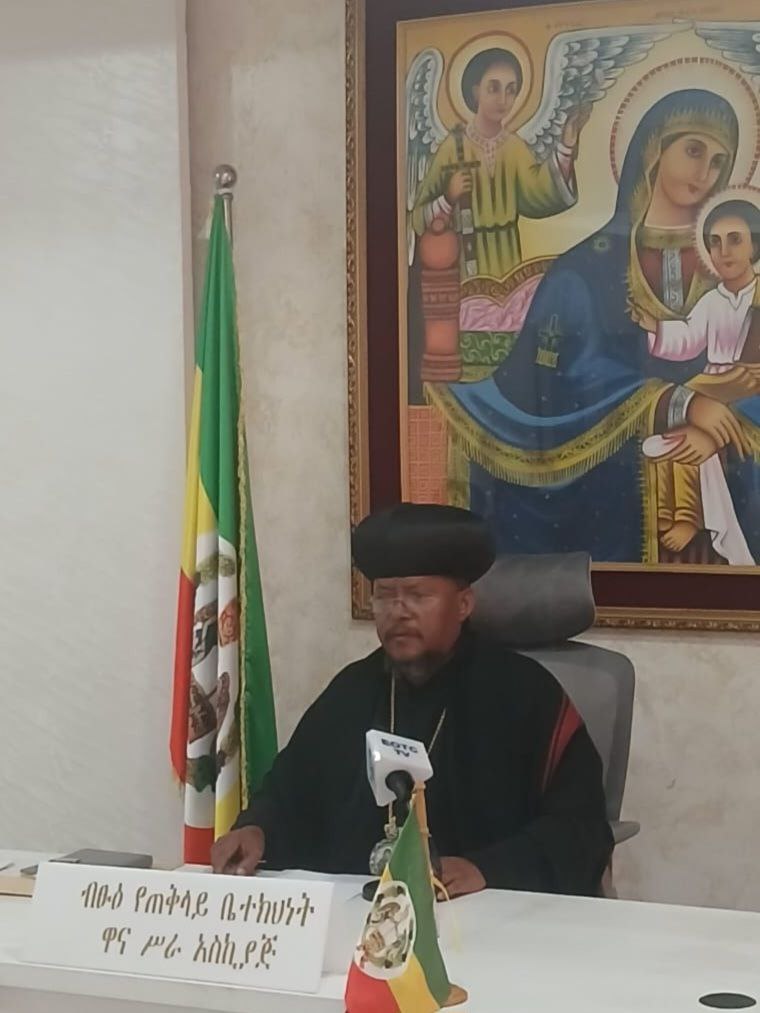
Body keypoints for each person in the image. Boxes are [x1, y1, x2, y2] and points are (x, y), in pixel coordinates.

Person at [211, 503, 613, 897]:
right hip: (367, 916)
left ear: (463, 604)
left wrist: (487, 869)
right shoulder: (351, 692)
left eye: (418, 595)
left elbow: (580, 829)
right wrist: (256, 829)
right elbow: (291, 792)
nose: (399, 612)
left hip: (490, 911)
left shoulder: (526, 694)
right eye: (385, 596)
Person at [429, 88, 760, 564]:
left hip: (726, 456)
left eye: (718, 161)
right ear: (653, 148)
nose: (705, 171)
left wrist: (715, 427)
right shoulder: (586, 266)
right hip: (619, 480)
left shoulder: (735, 273)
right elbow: (569, 375)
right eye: (693, 149)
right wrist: (680, 403)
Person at [635, 198, 760, 559]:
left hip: (747, 384)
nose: (724, 251)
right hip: (714, 380)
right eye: (715, 242)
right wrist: (655, 328)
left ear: (754, 245)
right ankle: (669, 512)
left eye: (735, 239)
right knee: (670, 428)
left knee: (696, 439)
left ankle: (690, 517)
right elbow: (688, 337)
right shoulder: (711, 300)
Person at [411, 47, 589, 281]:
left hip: (508, 259)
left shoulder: (514, 147)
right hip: (466, 262)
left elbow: (539, 193)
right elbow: (417, 219)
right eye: (493, 88)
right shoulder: (452, 148)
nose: (503, 99)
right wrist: (448, 197)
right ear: (476, 92)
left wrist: (566, 144)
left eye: (511, 90)